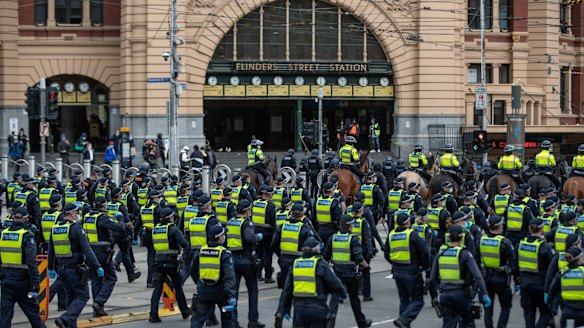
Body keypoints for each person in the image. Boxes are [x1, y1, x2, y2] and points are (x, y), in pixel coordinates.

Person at [48, 203, 103, 328]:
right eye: (76, 213)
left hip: (60, 268)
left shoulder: (55, 228)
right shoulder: (76, 228)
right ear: (72, 213)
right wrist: (97, 266)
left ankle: (70, 325)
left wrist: (50, 268)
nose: (77, 215)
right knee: (83, 296)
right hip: (74, 269)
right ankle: (65, 319)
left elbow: (51, 250)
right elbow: (87, 249)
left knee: (71, 296)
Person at [275, 237, 347, 328]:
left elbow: (287, 290)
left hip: (299, 309)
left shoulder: (295, 264)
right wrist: (343, 293)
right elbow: (334, 282)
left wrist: (283, 310)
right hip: (317, 308)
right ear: (317, 250)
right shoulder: (321, 264)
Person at [430, 225, 491, 327]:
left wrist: (435, 296)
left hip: (445, 294)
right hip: (461, 294)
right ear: (462, 237)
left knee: (448, 323)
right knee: (467, 323)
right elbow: (477, 275)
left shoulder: (441, 254)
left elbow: (432, 278)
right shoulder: (464, 254)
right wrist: (484, 293)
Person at [0, 207, 45, 328]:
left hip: (6, 281)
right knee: (33, 314)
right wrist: (36, 284)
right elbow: (31, 261)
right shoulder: (26, 235)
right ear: (26, 220)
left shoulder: (4, 234)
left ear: (13, 218)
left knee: (5, 315)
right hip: (23, 282)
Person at [324, 214, 372, 328]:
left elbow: (326, 255)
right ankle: (362, 323)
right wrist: (366, 266)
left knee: (334, 300)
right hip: (350, 274)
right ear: (350, 226)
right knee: (354, 299)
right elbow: (359, 257)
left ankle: (330, 324)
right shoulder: (353, 238)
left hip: (336, 272)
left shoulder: (333, 237)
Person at [82, 196, 126, 317]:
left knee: (96, 279)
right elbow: (120, 227)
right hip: (102, 252)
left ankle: (98, 309)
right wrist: (120, 217)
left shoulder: (87, 216)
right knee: (111, 278)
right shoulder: (102, 218)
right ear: (104, 205)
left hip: (90, 252)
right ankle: (99, 302)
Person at [384, 212, 429, 328]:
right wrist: (424, 266)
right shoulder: (412, 234)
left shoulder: (391, 234)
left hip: (397, 271)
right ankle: (404, 320)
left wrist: (395, 264)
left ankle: (403, 323)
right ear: (408, 222)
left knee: (404, 300)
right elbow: (424, 252)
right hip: (412, 271)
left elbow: (386, 254)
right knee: (418, 300)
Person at [225, 200, 265, 328]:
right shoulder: (247, 223)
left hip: (232, 259)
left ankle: (233, 322)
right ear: (247, 211)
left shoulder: (231, 221)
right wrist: (258, 236)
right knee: (253, 289)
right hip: (246, 260)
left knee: (233, 292)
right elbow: (249, 238)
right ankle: (253, 320)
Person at [190, 225, 237, 328]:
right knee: (227, 319)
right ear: (219, 237)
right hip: (221, 292)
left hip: (204, 291)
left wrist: (199, 283)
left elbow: (192, 270)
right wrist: (231, 295)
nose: (224, 236)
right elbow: (230, 277)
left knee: (198, 319)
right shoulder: (224, 253)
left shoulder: (200, 251)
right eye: (223, 234)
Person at [149, 208, 190, 322]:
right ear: (170, 217)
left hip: (158, 263)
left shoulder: (155, 229)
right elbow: (184, 244)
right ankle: (185, 312)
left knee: (157, 289)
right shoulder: (173, 229)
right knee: (178, 287)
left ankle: (153, 315)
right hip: (172, 263)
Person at [478, 215, 519, 328]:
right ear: (499, 226)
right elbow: (513, 262)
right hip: (501, 277)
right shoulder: (504, 242)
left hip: (486, 277)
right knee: (506, 306)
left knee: (488, 307)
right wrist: (517, 279)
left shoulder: (482, 239)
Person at [517, 218, 554, 328]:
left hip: (525, 284)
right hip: (540, 285)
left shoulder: (521, 244)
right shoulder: (544, 247)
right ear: (542, 229)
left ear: (529, 229)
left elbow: (515, 264)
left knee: (529, 314)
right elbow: (551, 268)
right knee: (546, 312)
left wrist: (517, 279)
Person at [271, 203, 315, 289]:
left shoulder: (282, 226)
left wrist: (281, 255)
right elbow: (311, 246)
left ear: (291, 213)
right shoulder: (305, 228)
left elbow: (273, 244)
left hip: (284, 259)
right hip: (299, 261)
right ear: (302, 214)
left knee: (286, 287)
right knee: (298, 286)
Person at [547, 247, 584, 327]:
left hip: (567, 312)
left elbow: (552, 290)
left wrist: (549, 304)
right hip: (582, 313)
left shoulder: (563, 272)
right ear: (579, 258)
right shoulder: (583, 271)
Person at [136, 190, 163, 287]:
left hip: (145, 234)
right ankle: (153, 280)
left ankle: (149, 280)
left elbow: (138, 223)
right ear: (155, 198)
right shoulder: (157, 208)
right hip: (155, 235)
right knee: (156, 258)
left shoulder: (143, 208)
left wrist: (135, 235)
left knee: (150, 257)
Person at [252, 186, 277, 283]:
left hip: (256, 232)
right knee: (268, 255)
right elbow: (273, 221)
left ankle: (258, 275)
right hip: (267, 233)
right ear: (270, 194)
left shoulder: (255, 203)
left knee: (258, 254)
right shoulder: (271, 206)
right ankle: (268, 277)